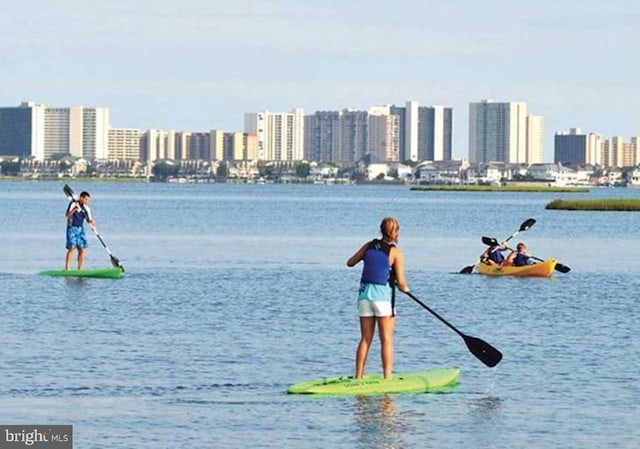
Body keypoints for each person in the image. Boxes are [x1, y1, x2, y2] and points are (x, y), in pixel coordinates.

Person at [347, 217, 409, 380]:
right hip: (382, 298)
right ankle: (387, 378)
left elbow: (350, 263)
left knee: (365, 338)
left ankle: (358, 377)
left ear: (381, 230)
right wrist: (405, 289)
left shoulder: (368, 246)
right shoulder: (395, 252)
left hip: (364, 296)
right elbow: (402, 284)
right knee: (386, 340)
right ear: (395, 232)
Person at [65, 191, 95, 270]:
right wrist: (74, 209)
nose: (86, 201)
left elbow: (90, 220)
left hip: (80, 229)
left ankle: (80, 268)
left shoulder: (86, 208)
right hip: (71, 228)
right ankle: (67, 268)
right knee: (71, 248)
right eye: (85, 199)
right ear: (81, 198)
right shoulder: (73, 204)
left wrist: (93, 227)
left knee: (81, 248)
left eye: (88, 200)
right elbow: (67, 215)